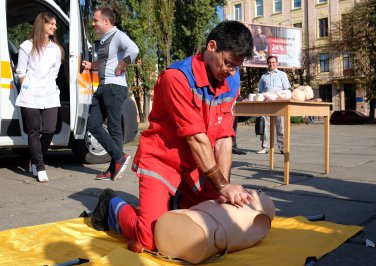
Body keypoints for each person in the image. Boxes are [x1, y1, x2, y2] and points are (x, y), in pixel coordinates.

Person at [91, 20, 254, 251]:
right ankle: (110, 206)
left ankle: (177, 202)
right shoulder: (176, 78)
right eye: (227, 63)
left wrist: (223, 187)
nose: (231, 71)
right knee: (149, 240)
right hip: (162, 160)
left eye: (236, 66)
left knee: (211, 222)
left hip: (199, 165)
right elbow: (196, 138)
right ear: (211, 47)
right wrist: (222, 186)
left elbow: (224, 138)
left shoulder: (231, 79)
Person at [82, 7, 139, 181]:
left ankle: (115, 164)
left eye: (95, 20)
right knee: (93, 124)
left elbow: (134, 50)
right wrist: (92, 66)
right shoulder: (105, 39)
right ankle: (117, 159)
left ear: (106, 21)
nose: (93, 24)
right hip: (103, 87)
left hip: (114, 87)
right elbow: (106, 62)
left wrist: (122, 65)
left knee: (114, 127)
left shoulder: (118, 35)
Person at [15, 12, 64, 183]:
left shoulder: (57, 50)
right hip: (31, 95)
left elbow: (55, 73)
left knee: (50, 130)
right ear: (40, 24)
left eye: (55, 24)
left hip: (50, 94)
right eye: (51, 23)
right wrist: (27, 87)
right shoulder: (26, 46)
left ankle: (35, 159)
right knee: (33, 131)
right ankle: (40, 166)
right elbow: (21, 71)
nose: (54, 27)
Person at [257, 55, 290, 154]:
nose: (271, 64)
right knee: (265, 126)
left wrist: (282, 97)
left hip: (279, 103)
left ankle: (282, 148)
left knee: (280, 126)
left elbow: (286, 89)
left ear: (277, 63)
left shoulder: (282, 74)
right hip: (267, 104)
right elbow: (260, 91)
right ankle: (265, 147)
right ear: (267, 64)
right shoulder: (263, 76)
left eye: (273, 62)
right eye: (269, 62)